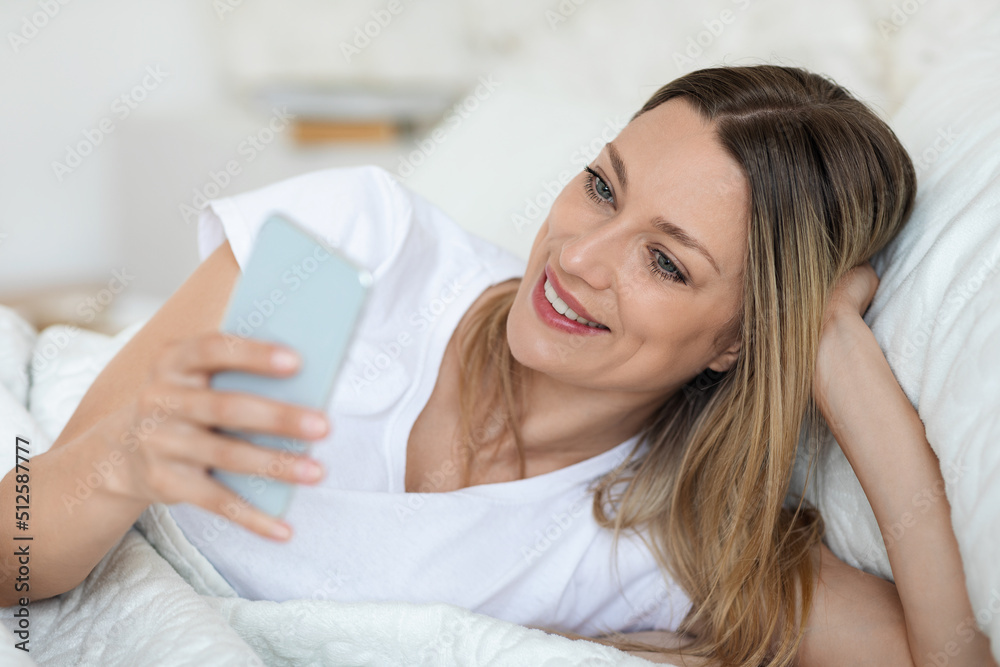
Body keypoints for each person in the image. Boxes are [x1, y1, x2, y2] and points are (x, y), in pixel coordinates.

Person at [1, 64, 994, 667]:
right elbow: (21, 539)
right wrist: (119, 463)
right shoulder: (345, 255)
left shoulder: (674, 543)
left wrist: (844, 364)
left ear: (739, 341)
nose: (579, 257)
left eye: (664, 261)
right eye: (602, 186)